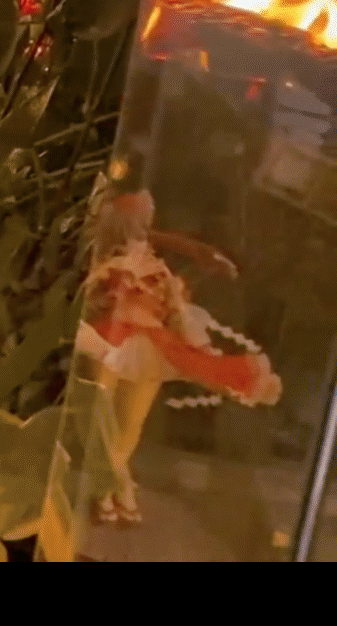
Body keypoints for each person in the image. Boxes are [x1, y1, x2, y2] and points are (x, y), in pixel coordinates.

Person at [77, 184, 280, 526]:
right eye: (134, 220)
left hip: (151, 343)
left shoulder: (155, 264)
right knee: (101, 417)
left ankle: (111, 485)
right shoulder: (101, 251)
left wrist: (182, 282)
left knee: (129, 422)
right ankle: (114, 486)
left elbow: (167, 274)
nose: (141, 228)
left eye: (144, 221)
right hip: (107, 335)